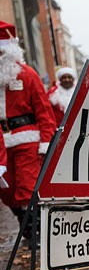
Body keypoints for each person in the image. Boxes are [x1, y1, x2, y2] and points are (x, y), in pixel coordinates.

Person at [0, 21, 56, 239]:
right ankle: (25, 221)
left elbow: (44, 110)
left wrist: (45, 143)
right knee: (7, 190)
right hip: (2, 142)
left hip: (27, 139)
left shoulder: (28, 75)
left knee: (27, 186)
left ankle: (33, 229)